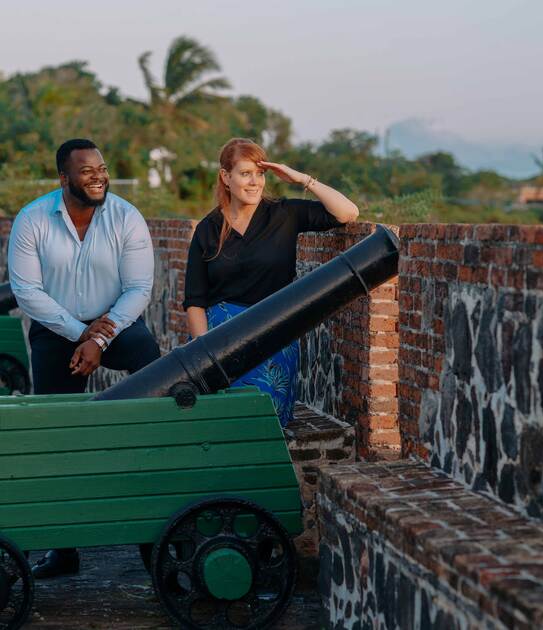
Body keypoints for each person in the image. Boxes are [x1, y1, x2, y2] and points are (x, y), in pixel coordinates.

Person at [7, 138, 161, 578]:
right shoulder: (32, 219)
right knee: (57, 434)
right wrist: (80, 336)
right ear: (64, 178)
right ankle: (64, 551)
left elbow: (138, 290)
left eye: (102, 168)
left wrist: (101, 337)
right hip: (57, 330)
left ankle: (156, 536)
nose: (98, 177)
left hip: (119, 325)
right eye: (87, 171)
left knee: (157, 393)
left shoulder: (126, 216)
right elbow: (27, 293)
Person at [184, 138, 359, 426]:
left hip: (272, 331)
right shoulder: (208, 229)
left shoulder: (283, 214)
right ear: (226, 177)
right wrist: (205, 354)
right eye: (245, 174)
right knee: (217, 420)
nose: (254, 182)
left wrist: (302, 179)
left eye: (260, 174)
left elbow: (347, 213)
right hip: (219, 337)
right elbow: (195, 300)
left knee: (262, 419)